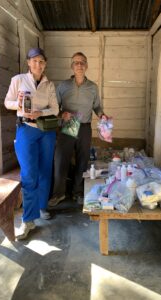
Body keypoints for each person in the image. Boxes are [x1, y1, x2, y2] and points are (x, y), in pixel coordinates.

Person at [5, 48, 59, 239]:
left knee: (45, 171)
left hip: (46, 132)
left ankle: (42, 206)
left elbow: (55, 108)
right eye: (34, 61)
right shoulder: (18, 80)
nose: (38, 64)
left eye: (42, 61)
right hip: (26, 130)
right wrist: (19, 105)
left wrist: (40, 113)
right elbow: (7, 102)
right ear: (28, 62)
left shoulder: (49, 84)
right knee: (29, 174)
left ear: (45, 64)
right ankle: (28, 220)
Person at [49, 52, 107, 206]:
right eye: (76, 62)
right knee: (61, 159)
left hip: (85, 126)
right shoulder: (63, 86)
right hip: (69, 125)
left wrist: (101, 115)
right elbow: (54, 108)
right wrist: (62, 114)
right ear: (72, 66)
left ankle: (77, 192)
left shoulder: (92, 87)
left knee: (82, 161)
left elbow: (97, 106)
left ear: (86, 66)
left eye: (82, 62)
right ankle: (59, 194)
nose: (79, 65)